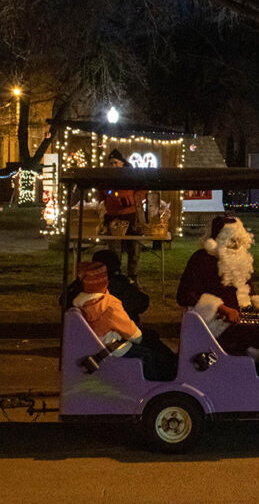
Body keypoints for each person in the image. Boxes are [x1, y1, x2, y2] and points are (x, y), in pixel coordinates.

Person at [176, 216, 259, 364]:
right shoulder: (201, 259)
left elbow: (248, 291)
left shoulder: (240, 259)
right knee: (256, 331)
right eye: (232, 240)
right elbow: (184, 295)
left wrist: (258, 305)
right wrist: (222, 308)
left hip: (242, 315)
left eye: (239, 240)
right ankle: (258, 368)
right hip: (218, 322)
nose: (236, 245)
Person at [72, 261, 175, 381]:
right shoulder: (108, 305)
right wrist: (140, 337)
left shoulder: (80, 303)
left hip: (99, 346)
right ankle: (158, 382)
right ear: (104, 282)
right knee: (150, 354)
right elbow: (128, 330)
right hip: (114, 348)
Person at [62, 249, 150, 324]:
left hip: (87, 334)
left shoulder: (81, 285)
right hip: (122, 335)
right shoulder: (121, 285)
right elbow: (142, 303)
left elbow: (64, 301)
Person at [99, 149, 146, 282]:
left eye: (115, 162)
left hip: (131, 216)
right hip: (113, 217)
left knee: (134, 250)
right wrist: (111, 196)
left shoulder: (132, 175)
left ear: (122, 163)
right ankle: (116, 276)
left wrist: (131, 199)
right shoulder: (107, 177)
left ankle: (133, 276)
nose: (113, 165)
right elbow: (102, 193)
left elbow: (142, 191)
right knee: (114, 250)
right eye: (111, 163)